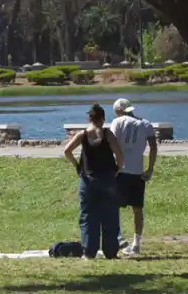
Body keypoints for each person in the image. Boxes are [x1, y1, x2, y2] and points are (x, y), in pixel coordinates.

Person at [63, 103, 125, 260]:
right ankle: (111, 252)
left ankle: (89, 252)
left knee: (88, 216)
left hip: (88, 180)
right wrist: (117, 167)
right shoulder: (107, 134)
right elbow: (120, 155)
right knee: (110, 214)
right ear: (103, 119)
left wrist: (77, 165)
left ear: (89, 118)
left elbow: (67, 151)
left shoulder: (82, 135)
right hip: (107, 179)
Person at [110, 97, 158, 255]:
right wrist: (150, 168)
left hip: (121, 171)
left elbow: (112, 144)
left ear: (119, 111)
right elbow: (153, 147)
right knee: (137, 209)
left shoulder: (117, 122)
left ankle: (119, 238)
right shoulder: (145, 124)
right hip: (138, 172)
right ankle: (137, 243)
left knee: (113, 206)